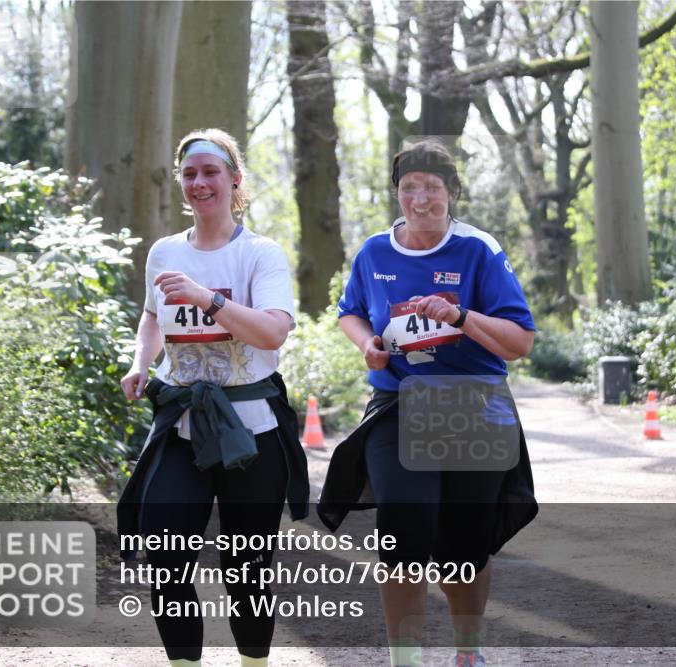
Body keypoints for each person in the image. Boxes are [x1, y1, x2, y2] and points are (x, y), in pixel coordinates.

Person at [317, 139, 538, 667]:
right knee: (402, 527)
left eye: (432, 187)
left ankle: (467, 651)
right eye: (409, 187)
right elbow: (350, 311)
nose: (420, 199)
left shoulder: (477, 250)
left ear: (452, 193)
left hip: (474, 407)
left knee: (465, 546)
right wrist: (367, 344)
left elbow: (520, 342)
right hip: (398, 405)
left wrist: (460, 318)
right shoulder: (374, 251)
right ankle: (406, 659)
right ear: (396, 192)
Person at [116, 128, 309, 667]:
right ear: (182, 182)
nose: (199, 183)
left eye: (211, 173)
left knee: (245, 568)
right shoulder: (165, 251)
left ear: (234, 180)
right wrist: (141, 363)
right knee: (164, 556)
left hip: (252, 431)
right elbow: (153, 317)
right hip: (181, 425)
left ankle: (254, 663)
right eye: (190, 173)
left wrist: (207, 298)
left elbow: (272, 332)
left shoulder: (260, 254)